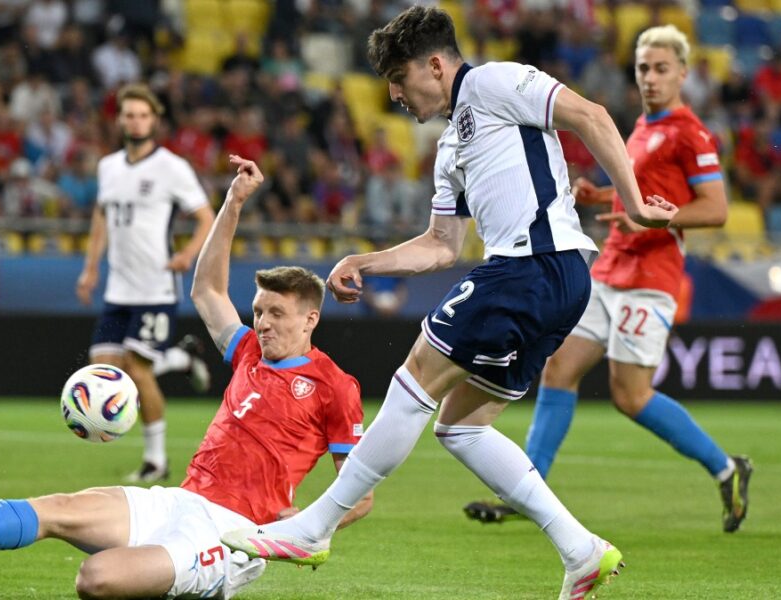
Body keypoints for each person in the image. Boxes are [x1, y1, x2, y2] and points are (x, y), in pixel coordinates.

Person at [222, 7, 678, 599]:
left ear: (435, 65)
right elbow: (441, 246)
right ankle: (580, 549)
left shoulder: (494, 82)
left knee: (414, 379)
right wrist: (365, 261)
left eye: (399, 79)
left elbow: (589, 115)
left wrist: (635, 202)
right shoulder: (450, 146)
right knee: (460, 426)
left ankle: (314, 527)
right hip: (554, 283)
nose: (394, 95)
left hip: (530, 268)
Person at [0, 155, 373, 600]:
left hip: (232, 532)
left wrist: (307, 524)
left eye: (277, 314)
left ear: (310, 319)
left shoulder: (334, 385)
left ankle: (195, 579)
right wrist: (233, 203)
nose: (262, 323)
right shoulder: (249, 353)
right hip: (180, 500)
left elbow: (361, 493)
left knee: (97, 578)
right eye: (259, 310)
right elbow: (206, 290)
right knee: (60, 508)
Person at [463, 25, 752, 533]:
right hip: (611, 269)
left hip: (651, 277)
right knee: (558, 370)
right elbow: (639, 193)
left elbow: (717, 208)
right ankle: (528, 490)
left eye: (662, 68)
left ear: (683, 73)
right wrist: (603, 197)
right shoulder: (641, 128)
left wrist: (656, 218)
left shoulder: (690, 132)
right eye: (643, 68)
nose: (650, 78)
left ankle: (728, 468)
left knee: (630, 395)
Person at [75, 83, 215, 483]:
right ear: (119, 119)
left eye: (142, 115)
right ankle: (183, 358)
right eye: (129, 114)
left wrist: (188, 254)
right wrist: (90, 268)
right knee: (102, 368)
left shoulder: (171, 167)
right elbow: (101, 218)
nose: (135, 121)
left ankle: (156, 460)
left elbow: (206, 215)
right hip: (118, 288)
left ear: (154, 120)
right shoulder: (108, 167)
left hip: (155, 287)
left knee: (137, 368)